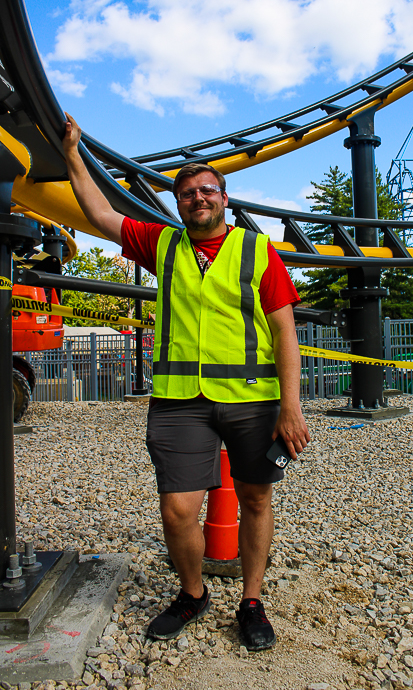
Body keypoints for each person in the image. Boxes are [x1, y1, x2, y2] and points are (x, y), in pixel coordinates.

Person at [62, 113, 310, 651]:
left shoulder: (256, 249)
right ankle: (193, 593)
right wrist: (72, 155)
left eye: (207, 190)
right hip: (179, 402)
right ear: (177, 204)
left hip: (252, 399)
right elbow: (100, 213)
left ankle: (251, 599)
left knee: (256, 498)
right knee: (177, 509)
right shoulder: (164, 245)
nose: (199, 198)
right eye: (188, 193)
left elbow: (284, 330)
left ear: (223, 197)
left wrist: (291, 407)